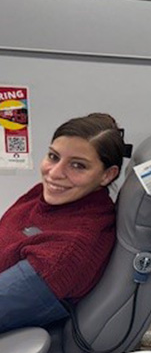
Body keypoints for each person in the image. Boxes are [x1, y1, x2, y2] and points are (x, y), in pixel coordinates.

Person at [0, 113, 125, 334]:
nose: (54, 174)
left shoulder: (67, 252)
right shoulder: (48, 197)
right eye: (53, 156)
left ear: (107, 175)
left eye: (78, 165)